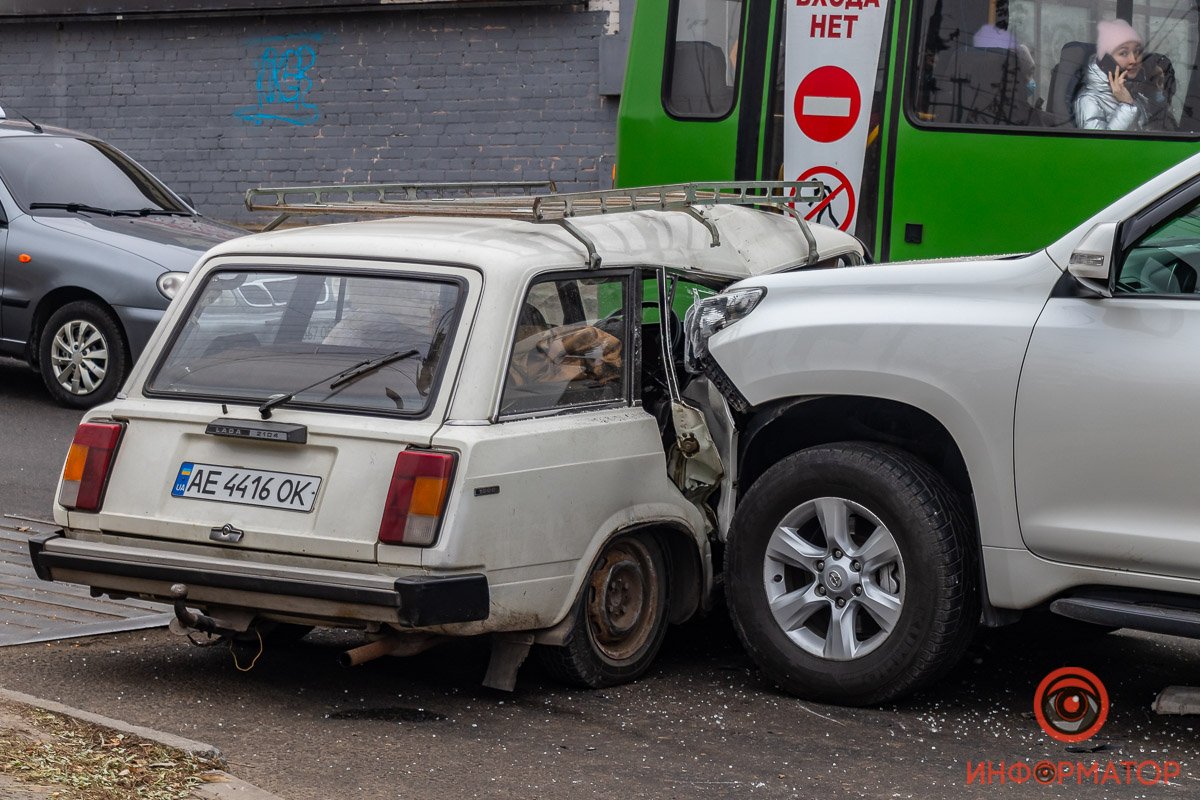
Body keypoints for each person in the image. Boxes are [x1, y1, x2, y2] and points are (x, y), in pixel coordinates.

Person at [1075, 19, 1147, 131]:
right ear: (1106, 61)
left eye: (1137, 51)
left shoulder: (1136, 94)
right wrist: (1127, 106)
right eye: (1124, 53)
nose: (1133, 60)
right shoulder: (1088, 100)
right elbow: (1099, 146)